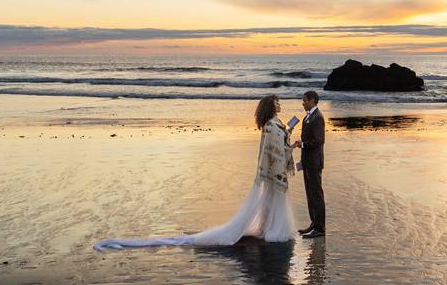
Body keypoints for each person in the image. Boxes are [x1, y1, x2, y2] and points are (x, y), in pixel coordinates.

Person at [93, 94, 296, 251]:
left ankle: (269, 228)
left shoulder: (276, 123)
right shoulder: (270, 125)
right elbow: (272, 150)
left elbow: (279, 144)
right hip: (272, 173)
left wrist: (288, 138)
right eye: (278, 102)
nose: (281, 105)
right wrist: (285, 144)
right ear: (272, 106)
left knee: (272, 202)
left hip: (273, 173)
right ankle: (272, 230)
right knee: (271, 201)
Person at [293, 90, 325, 238]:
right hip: (307, 162)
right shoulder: (308, 117)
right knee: (310, 194)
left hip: (314, 162)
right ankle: (313, 224)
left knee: (316, 194)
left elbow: (319, 140)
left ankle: (320, 228)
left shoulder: (317, 117)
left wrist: (303, 144)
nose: (303, 103)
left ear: (312, 101)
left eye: (304, 100)